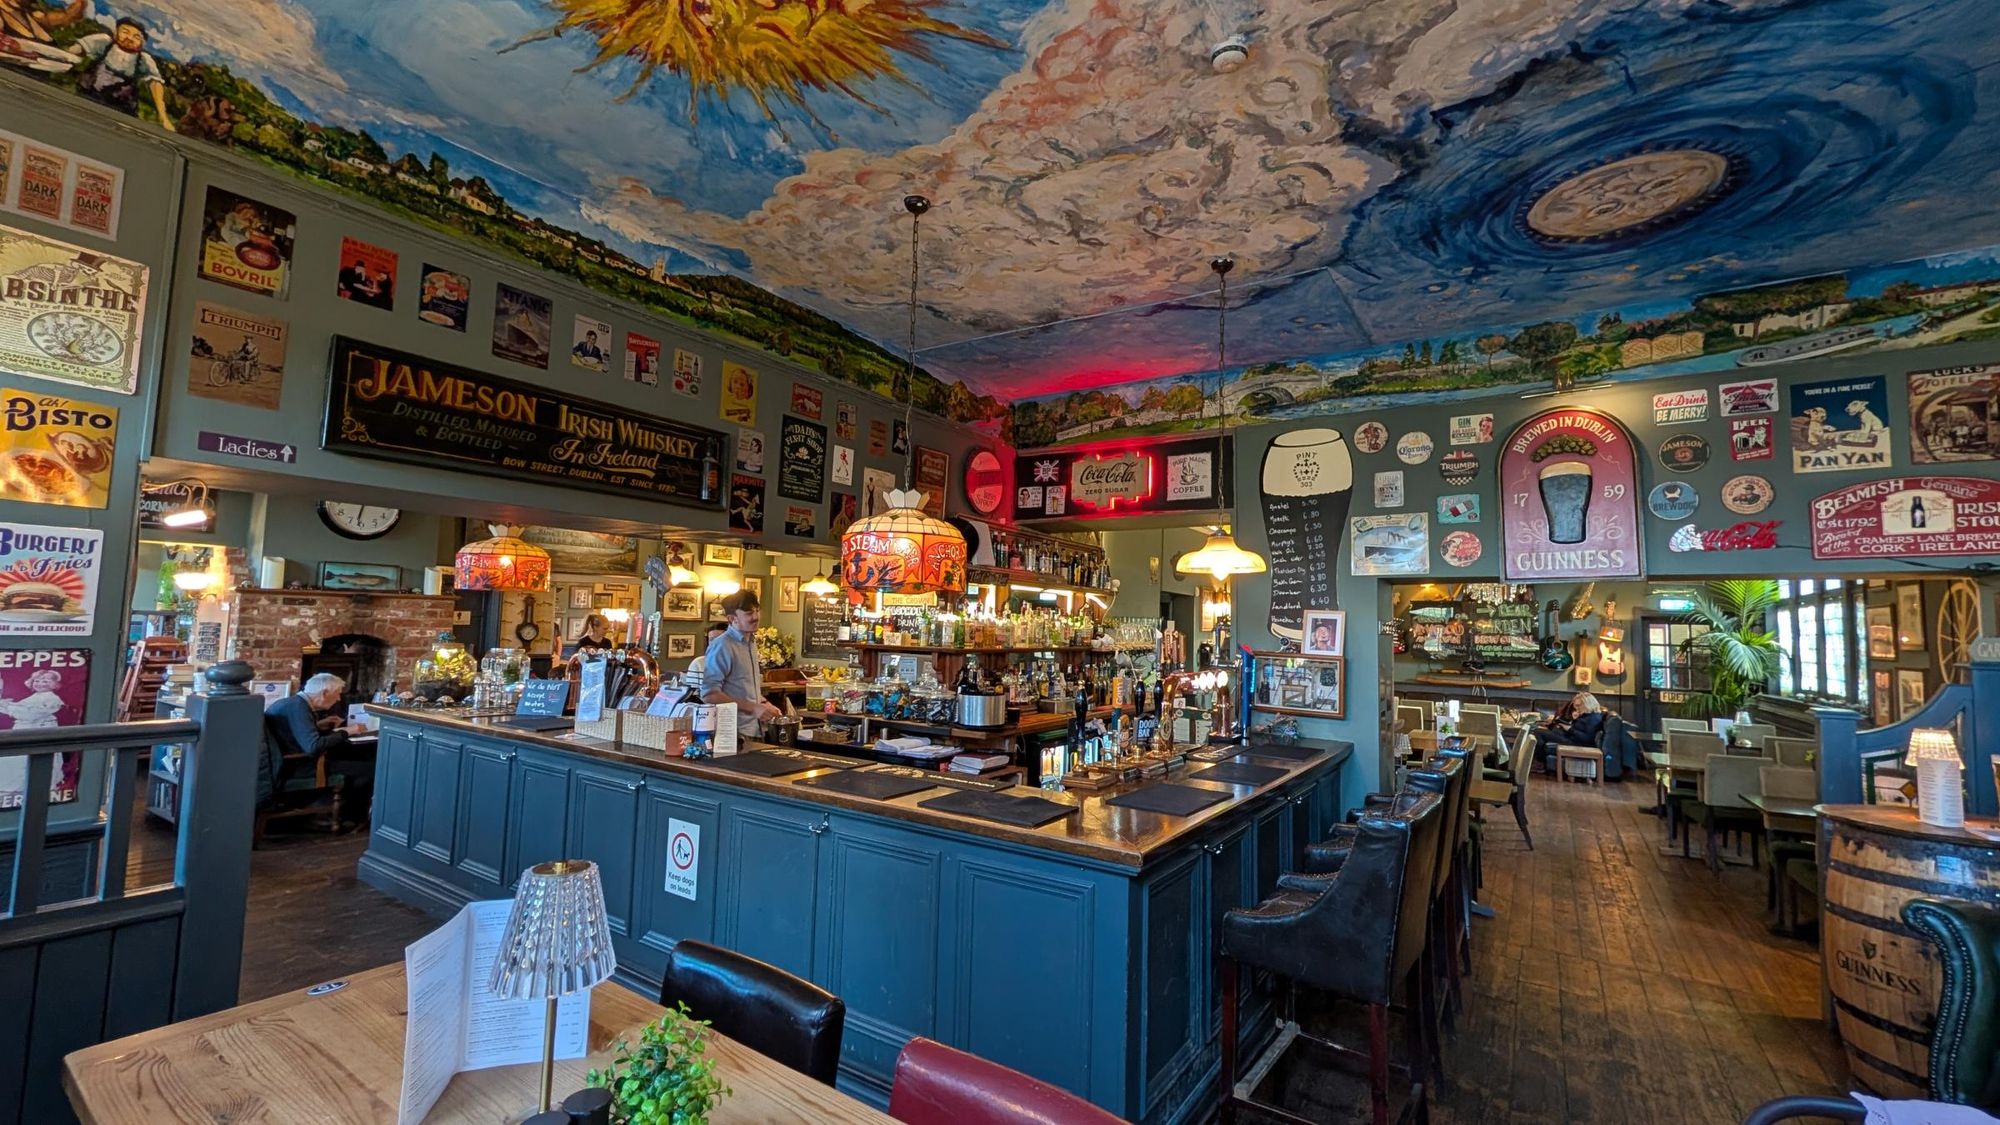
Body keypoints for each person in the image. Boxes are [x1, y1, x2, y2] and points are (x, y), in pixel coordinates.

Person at [264, 673, 373, 830]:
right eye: (337, 694)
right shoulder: (299, 708)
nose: (338, 699)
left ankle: (343, 812)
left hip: (287, 760)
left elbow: (298, 733)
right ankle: (352, 818)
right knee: (369, 769)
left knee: (357, 756)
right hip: (297, 766)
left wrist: (319, 725)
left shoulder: (292, 703)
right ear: (324, 693)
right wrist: (348, 731)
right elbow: (313, 746)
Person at [67, 18, 174, 131]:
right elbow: (78, 48)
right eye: (125, 32)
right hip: (87, 97)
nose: (129, 38)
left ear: (142, 43)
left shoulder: (144, 59)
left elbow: (156, 84)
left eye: (136, 36)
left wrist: (163, 117)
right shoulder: (104, 41)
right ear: (116, 32)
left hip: (121, 109)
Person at [702, 590, 781, 736]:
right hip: (733, 733)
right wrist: (753, 708)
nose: (756, 617)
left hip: (755, 730)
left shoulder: (750, 641)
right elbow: (709, 695)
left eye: (757, 611)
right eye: (749, 613)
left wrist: (763, 704)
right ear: (732, 618)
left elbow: (744, 688)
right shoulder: (722, 646)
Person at [1535, 691, 1606, 772]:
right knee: (1551, 729)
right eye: (1575, 706)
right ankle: (1539, 761)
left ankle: (1540, 763)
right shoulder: (1588, 715)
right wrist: (1574, 720)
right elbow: (1579, 728)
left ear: (1587, 704)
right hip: (1571, 738)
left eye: (1579, 706)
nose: (1576, 708)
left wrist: (1569, 729)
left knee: (1538, 732)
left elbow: (1587, 739)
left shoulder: (1593, 718)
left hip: (1576, 743)